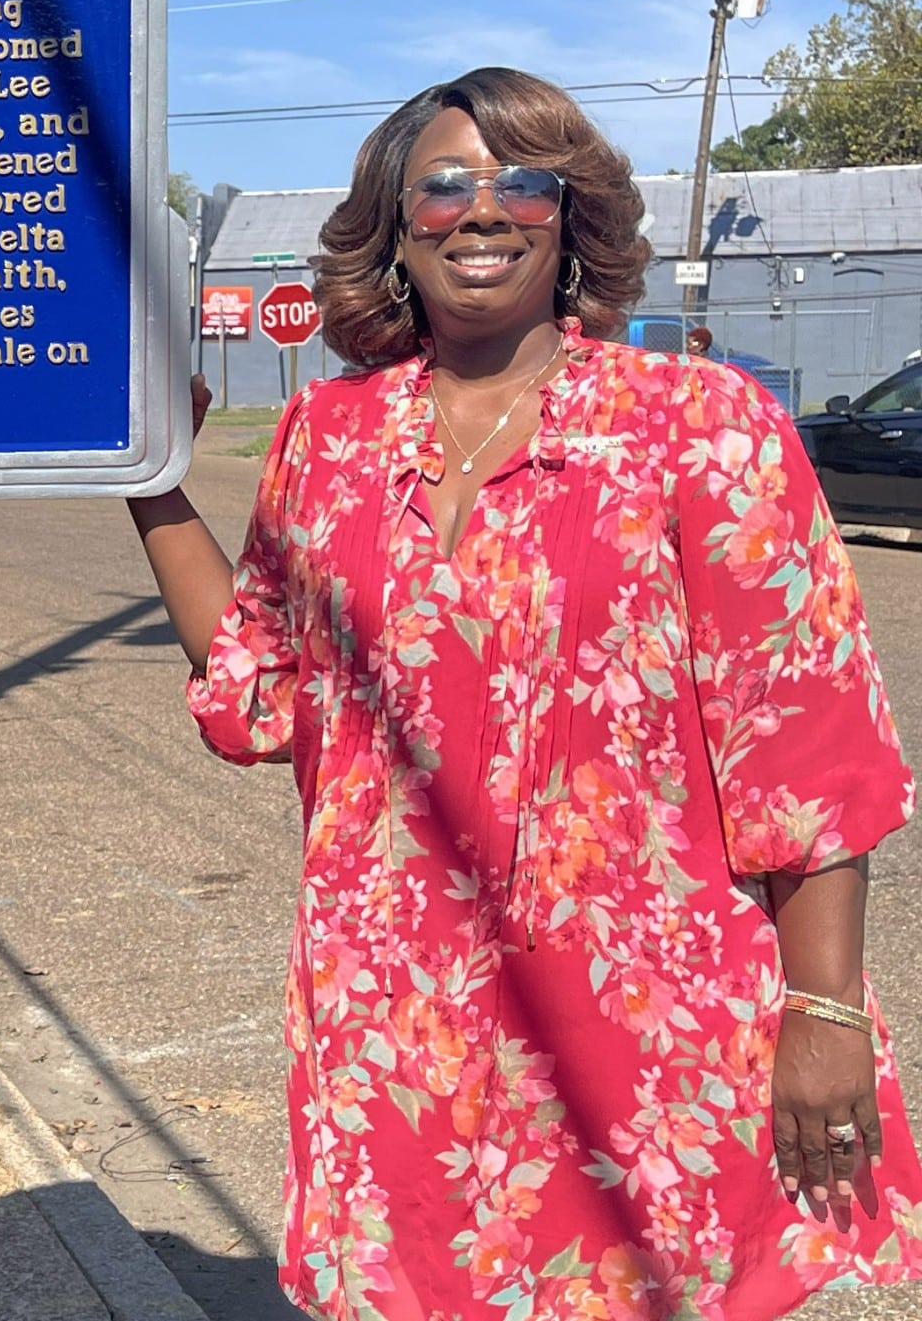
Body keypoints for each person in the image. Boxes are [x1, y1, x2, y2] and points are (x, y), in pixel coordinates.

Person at [125, 67, 920, 1320]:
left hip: (643, 1018)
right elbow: (257, 694)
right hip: (396, 1020)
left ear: (571, 218)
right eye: (443, 183)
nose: (481, 210)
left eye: (521, 182)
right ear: (395, 224)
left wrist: (820, 1010)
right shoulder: (327, 440)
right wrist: (152, 480)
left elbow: (806, 742)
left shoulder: (697, 424)